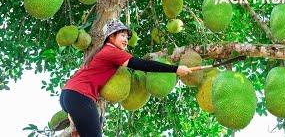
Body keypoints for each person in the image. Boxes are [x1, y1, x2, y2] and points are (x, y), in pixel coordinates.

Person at [59, 19, 192, 137]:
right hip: (79, 96)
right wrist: (175, 69)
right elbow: (143, 65)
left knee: (99, 121)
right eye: (122, 35)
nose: (126, 40)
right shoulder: (111, 52)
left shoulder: (100, 52)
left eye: (127, 38)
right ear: (111, 37)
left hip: (69, 95)